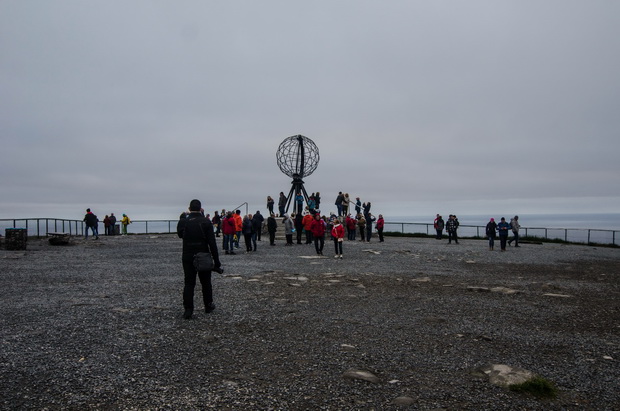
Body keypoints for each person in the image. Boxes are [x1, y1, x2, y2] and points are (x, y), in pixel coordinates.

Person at [177, 199, 221, 320]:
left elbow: (180, 234)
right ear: (201, 208)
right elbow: (212, 243)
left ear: (189, 208)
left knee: (189, 283)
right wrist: (216, 261)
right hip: (203, 254)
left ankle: (188, 310)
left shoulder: (183, 222)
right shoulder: (206, 222)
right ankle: (208, 305)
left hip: (187, 254)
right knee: (206, 282)